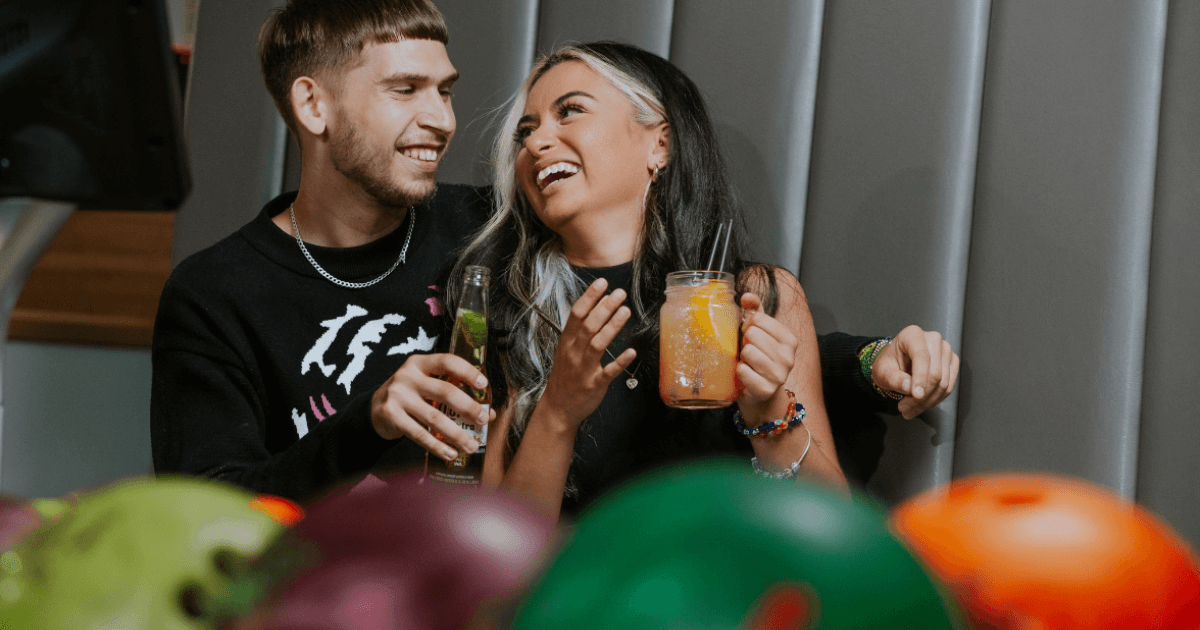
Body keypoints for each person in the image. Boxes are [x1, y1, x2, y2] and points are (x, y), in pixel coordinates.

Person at [151, 0, 957, 503]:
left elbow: (693, 302)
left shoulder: (484, 233)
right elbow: (203, 505)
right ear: (312, 104)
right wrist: (369, 424)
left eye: (446, 89)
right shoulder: (221, 291)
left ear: (659, 143)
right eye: (405, 91)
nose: (440, 120)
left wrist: (868, 363)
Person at [458, 41, 959, 519]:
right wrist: (558, 411)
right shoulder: (513, 306)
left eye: (570, 111)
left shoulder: (754, 297)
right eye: (526, 130)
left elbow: (829, 523)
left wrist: (768, 412)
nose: (537, 141)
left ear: (660, 143)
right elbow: (504, 549)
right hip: (591, 600)